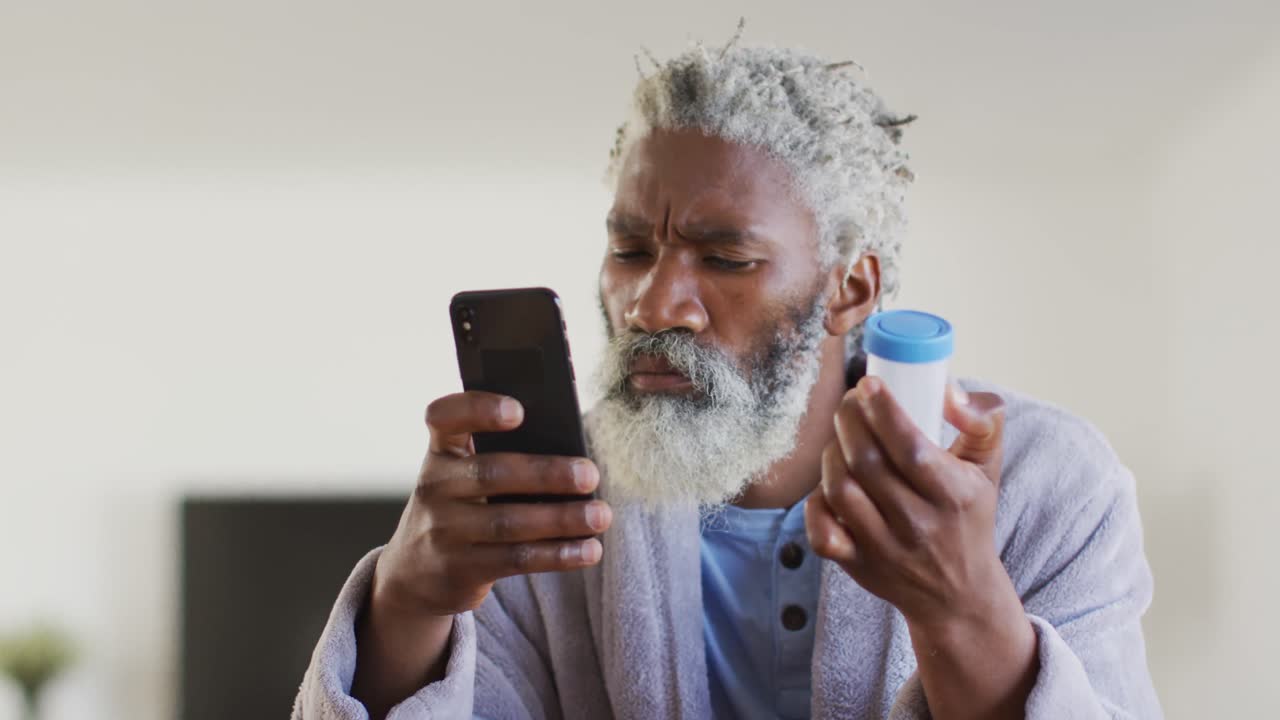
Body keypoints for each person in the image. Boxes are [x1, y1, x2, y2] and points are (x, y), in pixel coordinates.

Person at [293, 33, 1162, 720]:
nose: (653, 303)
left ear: (848, 288)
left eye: (727, 259)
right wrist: (407, 601)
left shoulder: (1051, 486)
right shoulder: (542, 505)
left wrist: (965, 609)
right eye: (630, 249)